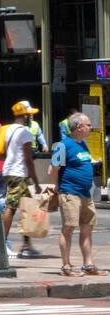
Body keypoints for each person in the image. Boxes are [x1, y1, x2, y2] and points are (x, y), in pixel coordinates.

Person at [49, 112, 105, 277]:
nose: (90, 128)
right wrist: (57, 187)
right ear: (79, 127)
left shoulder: (83, 144)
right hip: (69, 193)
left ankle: (88, 265)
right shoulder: (62, 145)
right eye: (88, 125)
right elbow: (53, 169)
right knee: (68, 229)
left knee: (87, 229)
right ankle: (66, 266)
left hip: (85, 194)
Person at [0, 100, 42, 260]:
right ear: (24, 115)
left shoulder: (9, 130)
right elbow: (28, 159)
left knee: (27, 208)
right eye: (29, 114)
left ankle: (27, 245)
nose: (31, 116)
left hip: (10, 171)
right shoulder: (25, 132)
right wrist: (37, 183)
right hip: (19, 173)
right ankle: (1, 243)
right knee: (11, 207)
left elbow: (1, 154)